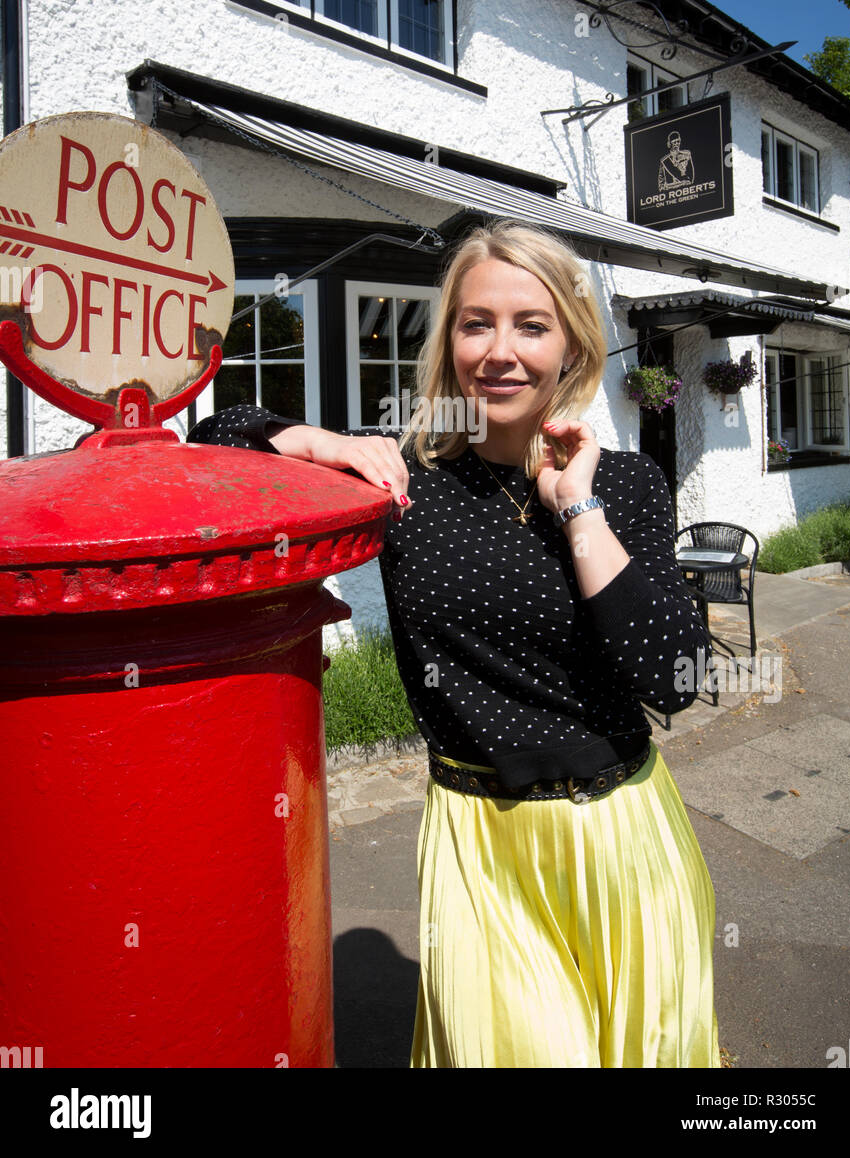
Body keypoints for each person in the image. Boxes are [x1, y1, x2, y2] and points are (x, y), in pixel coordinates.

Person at [187, 218, 720, 1069]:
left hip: (626, 840)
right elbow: (213, 440)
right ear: (451, 340)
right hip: (480, 847)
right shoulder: (406, 484)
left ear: (572, 344)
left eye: (531, 325)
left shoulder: (624, 483)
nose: (500, 351)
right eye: (478, 323)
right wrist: (318, 442)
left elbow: (673, 674)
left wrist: (575, 507)